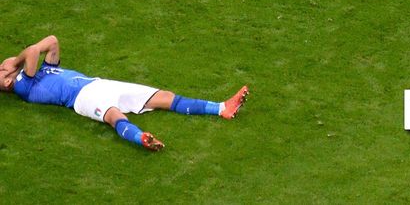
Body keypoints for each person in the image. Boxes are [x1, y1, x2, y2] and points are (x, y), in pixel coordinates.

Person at [0, 35, 249, 151]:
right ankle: (141, 138)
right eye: (1, 71)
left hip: (101, 84)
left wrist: (14, 63)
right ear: (6, 83)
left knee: (163, 96)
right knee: (114, 116)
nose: (3, 66)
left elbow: (52, 41)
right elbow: (33, 50)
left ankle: (221, 108)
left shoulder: (43, 70)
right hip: (81, 99)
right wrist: (17, 61)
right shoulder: (23, 85)